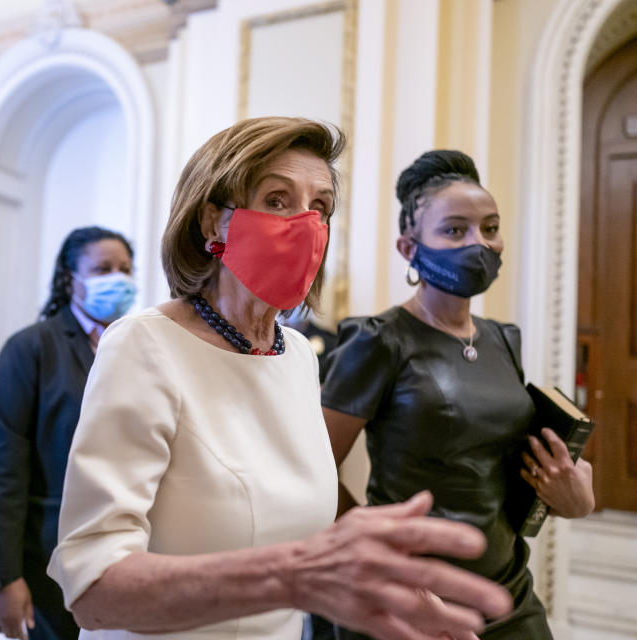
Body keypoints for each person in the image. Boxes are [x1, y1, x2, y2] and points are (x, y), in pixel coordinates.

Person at [46, 117, 513, 640]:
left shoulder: (297, 356)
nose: (306, 223)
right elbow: (93, 591)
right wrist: (289, 577)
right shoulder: (144, 345)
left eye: (321, 208)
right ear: (212, 222)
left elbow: (299, 520)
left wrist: (397, 587)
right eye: (276, 199)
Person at [320, 149, 595, 639]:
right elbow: (315, 469)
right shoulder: (378, 340)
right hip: (411, 597)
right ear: (409, 248)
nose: (478, 243)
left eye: (490, 228)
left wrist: (572, 494)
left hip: (508, 591)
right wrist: (383, 563)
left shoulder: (503, 338)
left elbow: (506, 461)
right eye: (455, 230)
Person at [0, 226, 136, 640]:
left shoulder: (137, 347)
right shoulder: (31, 348)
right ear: (70, 279)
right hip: (48, 554)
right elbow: (0, 471)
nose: (117, 278)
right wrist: (2, 578)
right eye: (102, 269)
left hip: (126, 551)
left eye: (125, 269)